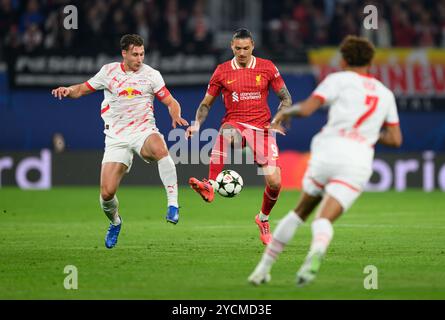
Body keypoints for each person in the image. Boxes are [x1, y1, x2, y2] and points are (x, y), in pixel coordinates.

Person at [248, 35, 402, 286]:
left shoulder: (337, 80)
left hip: (328, 152)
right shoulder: (385, 94)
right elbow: (395, 139)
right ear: (371, 62)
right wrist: (369, 133)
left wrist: (286, 112)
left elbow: (307, 109)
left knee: (299, 213)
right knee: (323, 219)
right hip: (358, 161)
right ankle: (316, 253)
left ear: (343, 60)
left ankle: (262, 270)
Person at [51, 34, 188, 249]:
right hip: (116, 137)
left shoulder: (151, 75)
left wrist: (174, 113)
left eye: (142, 54)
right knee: (107, 193)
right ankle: (115, 222)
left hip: (143, 130)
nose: (139, 59)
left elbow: (170, 100)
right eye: (135, 54)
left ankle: (173, 204)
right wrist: (67, 90)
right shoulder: (109, 72)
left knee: (160, 149)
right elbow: (82, 89)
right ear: (124, 53)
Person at [185, 28, 293, 245]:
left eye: (245, 48)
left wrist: (280, 118)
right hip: (236, 124)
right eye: (237, 49)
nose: (242, 53)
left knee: (274, 183)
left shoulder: (267, 67)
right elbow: (206, 103)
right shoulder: (222, 71)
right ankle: (211, 183)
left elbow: (286, 97)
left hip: (262, 129)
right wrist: (197, 124)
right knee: (227, 130)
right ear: (231, 47)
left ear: (252, 45)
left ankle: (262, 219)